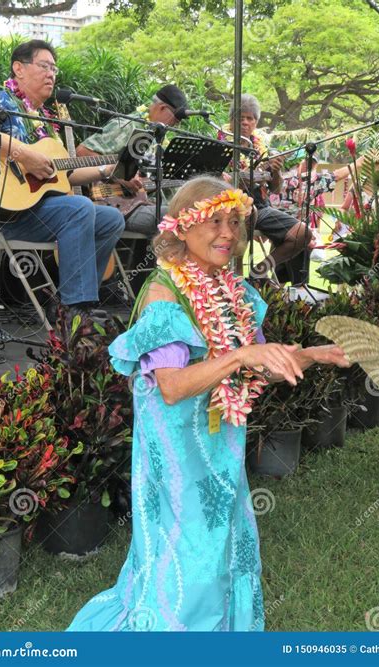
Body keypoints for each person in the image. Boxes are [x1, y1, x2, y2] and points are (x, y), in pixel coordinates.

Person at [67, 175, 350, 632]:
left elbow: (260, 364)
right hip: (176, 452)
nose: (228, 234)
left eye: (235, 222)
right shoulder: (165, 294)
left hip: (221, 441)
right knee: (187, 550)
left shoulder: (232, 290)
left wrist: (309, 355)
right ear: (181, 228)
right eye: (214, 221)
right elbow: (173, 387)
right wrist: (238, 355)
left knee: (223, 540)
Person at [0, 39, 125, 322]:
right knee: (80, 208)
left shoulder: (45, 122)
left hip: (38, 211)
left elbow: (65, 174)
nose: (52, 73)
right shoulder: (1, 100)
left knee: (111, 218)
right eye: (44, 66)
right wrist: (24, 154)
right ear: (19, 69)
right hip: (3, 215)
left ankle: (71, 298)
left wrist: (107, 170)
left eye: (54, 68)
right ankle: (76, 309)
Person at [218, 94, 315, 284]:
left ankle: (259, 271)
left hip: (261, 208)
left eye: (250, 118)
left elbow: (276, 189)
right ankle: (236, 274)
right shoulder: (220, 146)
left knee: (302, 234)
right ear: (231, 120)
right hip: (227, 209)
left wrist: (276, 171)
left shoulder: (261, 149)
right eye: (241, 117)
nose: (245, 122)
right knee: (248, 212)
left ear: (256, 122)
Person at [76, 84, 188, 237]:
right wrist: (119, 178)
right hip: (113, 203)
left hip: (141, 202)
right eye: (176, 118)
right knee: (180, 217)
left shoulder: (157, 136)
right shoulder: (127, 125)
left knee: (189, 210)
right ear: (162, 108)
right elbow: (82, 152)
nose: (177, 124)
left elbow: (147, 182)